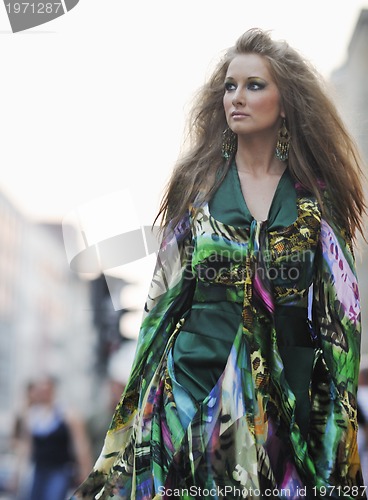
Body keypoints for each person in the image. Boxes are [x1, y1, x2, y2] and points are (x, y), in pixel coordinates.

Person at [71, 28, 367, 499]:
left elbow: (342, 321)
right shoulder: (198, 187)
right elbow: (161, 304)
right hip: (194, 390)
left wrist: (334, 415)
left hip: (288, 398)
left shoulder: (316, 200)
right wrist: (139, 410)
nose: (237, 97)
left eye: (254, 85)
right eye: (230, 85)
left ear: (285, 101)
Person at [18, 376, 93, 500]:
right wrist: (18, 474)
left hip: (60, 469)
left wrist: (86, 473)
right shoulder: (31, 415)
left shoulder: (67, 414)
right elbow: (27, 446)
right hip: (39, 469)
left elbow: (80, 445)